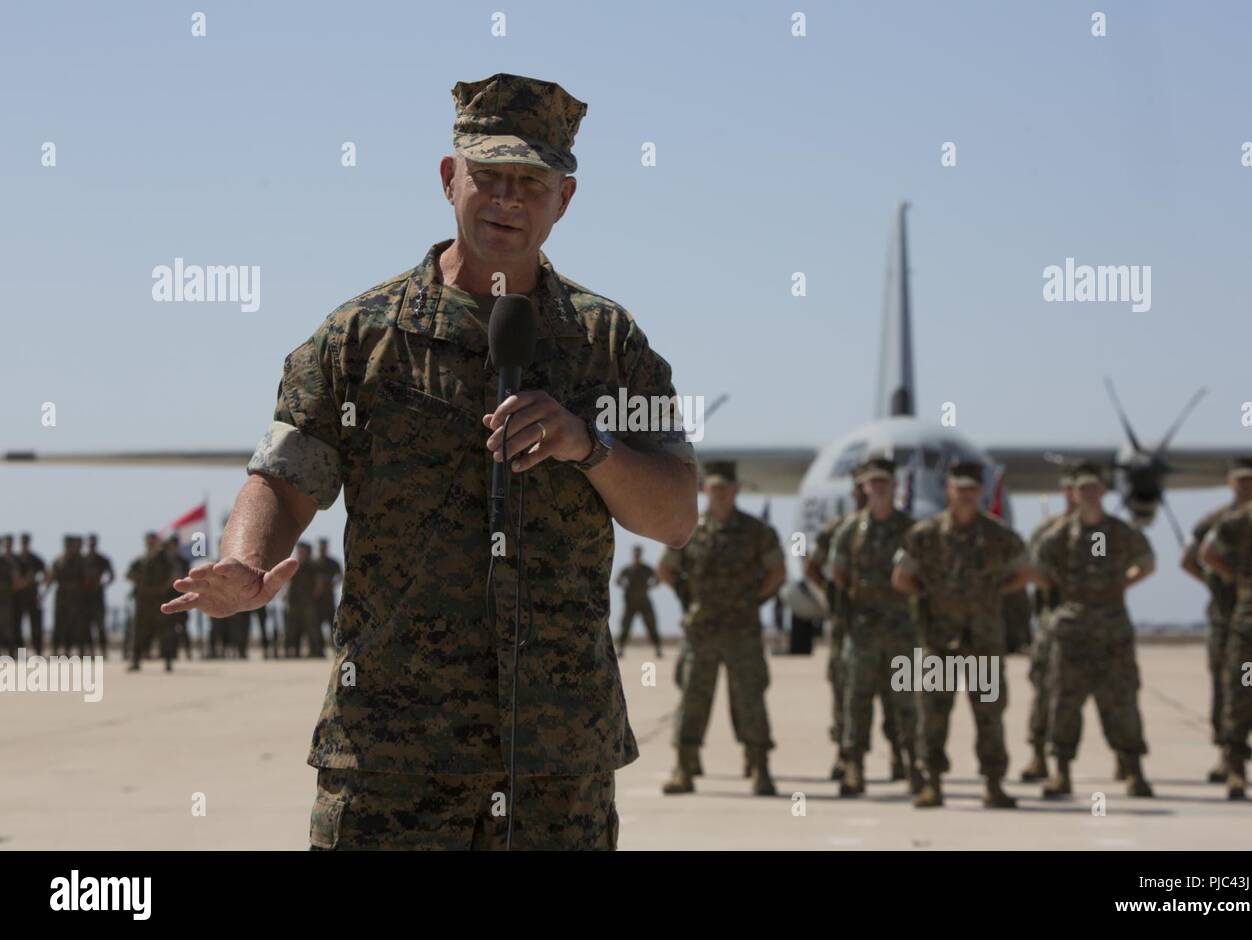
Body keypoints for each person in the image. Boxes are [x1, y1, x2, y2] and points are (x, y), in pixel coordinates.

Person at [162, 72, 697, 850]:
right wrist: (245, 561)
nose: (507, 200)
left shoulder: (610, 346)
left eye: (530, 183)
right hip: (392, 762)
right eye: (489, 177)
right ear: (451, 180)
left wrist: (591, 446)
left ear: (564, 200)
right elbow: (283, 475)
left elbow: (677, 515)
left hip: (555, 768)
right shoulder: (359, 338)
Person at [892, 460, 1033, 809]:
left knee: (989, 716)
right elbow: (900, 577)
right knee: (933, 716)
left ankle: (994, 784)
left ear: (980, 492)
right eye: (960, 489)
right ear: (948, 491)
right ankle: (933, 784)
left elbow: (1025, 572)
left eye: (972, 489)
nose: (966, 495)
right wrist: (927, 595)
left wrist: (994, 592)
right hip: (939, 642)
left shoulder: (997, 535)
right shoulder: (925, 535)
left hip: (983, 643)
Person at [660, 460, 785, 797]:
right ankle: (684, 768)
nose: (720, 494)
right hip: (701, 630)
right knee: (692, 699)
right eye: (714, 488)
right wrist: (688, 598)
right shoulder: (689, 530)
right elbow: (666, 569)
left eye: (726, 488)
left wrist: (751, 601)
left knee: (750, 699)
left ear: (736, 491)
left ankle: (760, 767)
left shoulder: (757, 531)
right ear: (704, 490)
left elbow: (777, 573)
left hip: (742, 630)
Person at [1032, 463, 1156, 798]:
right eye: (1082, 489)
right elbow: (1037, 569)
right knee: (1064, 703)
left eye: (1094, 488)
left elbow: (1147, 562)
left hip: (1113, 630)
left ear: (1103, 491)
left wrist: (1121, 585)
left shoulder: (1119, 532)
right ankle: (1061, 771)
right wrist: (1067, 594)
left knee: (1122, 701)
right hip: (1072, 630)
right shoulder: (1057, 536)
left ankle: (1134, 770)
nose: (1088, 494)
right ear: (1074, 493)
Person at [1182, 458, 1252, 784]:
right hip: (1228, 619)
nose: (1245, 486)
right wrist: (1224, 581)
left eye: (1250, 480)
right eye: (1239, 480)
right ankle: (1228, 757)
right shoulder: (1219, 522)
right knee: (1231, 687)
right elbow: (1192, 559)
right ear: (1230, 482)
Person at [829, 458, 919, 796]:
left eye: (884, 482)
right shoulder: (850, 530)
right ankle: (855, 766)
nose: (878, 487)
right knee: (857, 699)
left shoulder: (911, 530)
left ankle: (913, 763)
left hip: (901, 630)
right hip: (862, 629)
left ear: (894, 486)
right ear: (864, 488)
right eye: (872, 483)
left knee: (907, 700)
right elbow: (837, 573)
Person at [1020, 467, 1077, 782]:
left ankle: (1126, 758)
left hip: (1098, 625)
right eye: (1070, 489)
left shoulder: (1105, 532)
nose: (1075, 495)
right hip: (1052, 624)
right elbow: (1028, 569)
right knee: (1044, 691)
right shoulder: (1047, 531)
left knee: (1113, 696)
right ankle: (1039, 754)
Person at [128, 533, 175, 672]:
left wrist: (162, 588)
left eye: (153, 542)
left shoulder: (164, 560)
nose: (150, 544)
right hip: (143, 600)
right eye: (149, 541)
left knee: (164, 632)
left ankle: (168, 661)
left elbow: (172, 575)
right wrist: (139, 581)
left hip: (159, 600)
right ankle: (136, 661)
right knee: (139, 632)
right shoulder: (140, 560)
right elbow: (129, 574)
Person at [615, 545, 661, 658]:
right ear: (633, 555)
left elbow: (657, 578)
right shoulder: (628, 569)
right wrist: (624, 585)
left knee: (651, 625)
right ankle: (620, 649)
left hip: (644, 601)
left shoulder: (646, 569)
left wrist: (650, 586)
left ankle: (658, 649)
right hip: (630, 603)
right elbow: (618, 580)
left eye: (638, 554)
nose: (637, 556)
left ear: (641, 555)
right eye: (635, 554)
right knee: (625, 626)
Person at [13, 534, 46, 654]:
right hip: (18, 599)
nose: (24, 545)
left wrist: (42, 592)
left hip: (33, 598)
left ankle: (38, 653)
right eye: (23, 542)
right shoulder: (14, 560)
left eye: (26, 542)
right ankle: (21, 654)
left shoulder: (35, 560)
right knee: (17, 628)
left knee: (36, 628)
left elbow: (47, 576)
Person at [83, 534, 115, 655]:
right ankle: (90, 651)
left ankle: (103, 651)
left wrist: (102, 584)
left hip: (98, 596)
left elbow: (111, 576)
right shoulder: (82, 560)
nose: (91, 545)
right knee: (86, 626)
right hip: (84, 598)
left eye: (93, 543)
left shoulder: (103, 560)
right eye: (90, 543)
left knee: (100, 626)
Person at [313, 538, 343, 650]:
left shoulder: (332, 563)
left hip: (329, 599)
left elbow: (340, 576)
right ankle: (319, 649)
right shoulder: (313, 563)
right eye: (320, 547)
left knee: (333, 625)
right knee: (316, 625)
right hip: (316, 600)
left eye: (324, 547)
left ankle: (334, 647)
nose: (322, 549)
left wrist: (332, 585)